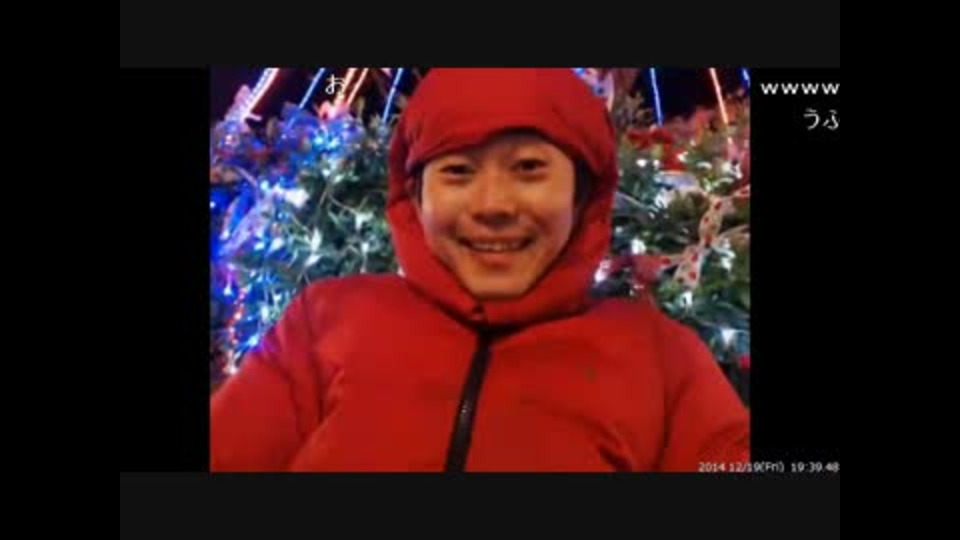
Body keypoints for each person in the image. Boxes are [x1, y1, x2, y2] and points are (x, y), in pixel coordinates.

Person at [210, 68, 750, 472]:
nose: (492, 204)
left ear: (583, 194)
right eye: (458, 171)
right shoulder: (322, 325)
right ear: (415, 195)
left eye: (529, 168)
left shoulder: (661, 359)